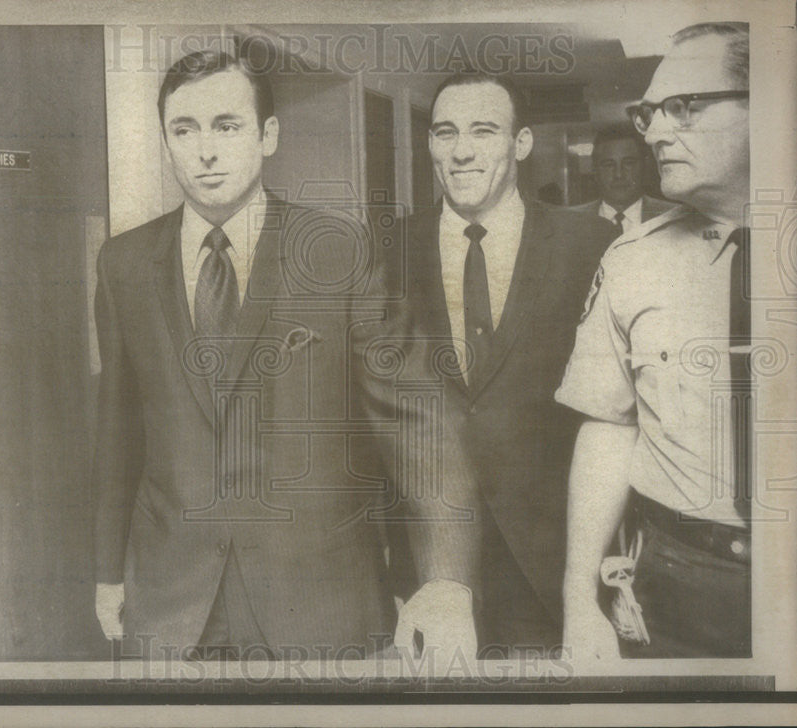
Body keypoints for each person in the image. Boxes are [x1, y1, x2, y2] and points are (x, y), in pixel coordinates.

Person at [93, 49, 476, 661]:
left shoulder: (340, 251)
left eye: (227, 125)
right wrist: (108, 570)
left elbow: (420, 422)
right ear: (166, 140)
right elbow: (119, 429)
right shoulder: (123, 263)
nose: (205, 151)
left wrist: (447, 581)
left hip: (319, 599)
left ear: (268, 134)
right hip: (171, 601)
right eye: (183, 130)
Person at [376, 69, 615, 656]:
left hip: (551, 561)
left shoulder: (592, 245)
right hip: (425, 565)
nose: (461, 151)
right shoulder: (384, 250)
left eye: (484, 131)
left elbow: (613, 412)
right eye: (445, 132)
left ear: (522, 143)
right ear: (429, 142)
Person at [557, 22, 751, 660]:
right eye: (650, 114)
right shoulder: (632, 261)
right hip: (674, 584)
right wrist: (578, 598)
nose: (657, 133)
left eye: (684, 108)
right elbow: (609, 428)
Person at [571, 125, 675, 236]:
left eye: (628, 163)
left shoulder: (674, 218)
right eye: (609, 165)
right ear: (594, 170)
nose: (619, 174)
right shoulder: (571, 221)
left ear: (644, 166)